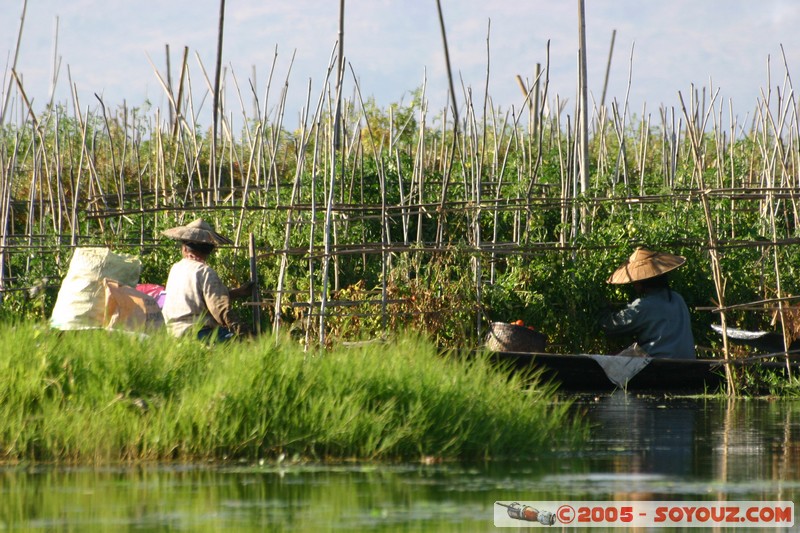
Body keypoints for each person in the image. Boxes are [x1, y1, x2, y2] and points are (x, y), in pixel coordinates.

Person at [161, 218, 253, 341]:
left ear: (184, 248)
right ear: (209, 250)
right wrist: (243, 332)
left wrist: (238, 292)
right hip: (198, 333)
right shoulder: (204, 271)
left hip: (172, 333)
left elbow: (198, 297)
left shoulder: (176, 268)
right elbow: (219, 308)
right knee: (238, 345)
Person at [600, 247, 696, 359]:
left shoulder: (643, 305)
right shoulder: (677, 298)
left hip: (659, 366)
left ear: (641, 283)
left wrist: (603, 307)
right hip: (687, 362)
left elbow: (611, 326)